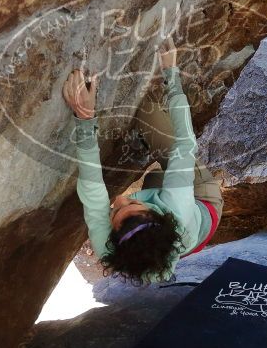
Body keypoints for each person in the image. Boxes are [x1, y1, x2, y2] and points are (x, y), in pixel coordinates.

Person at [62, 37, 223, 284]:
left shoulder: (110, 248)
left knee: (152, 179)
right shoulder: (177, 208)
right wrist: (171, 73)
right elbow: (185, 144)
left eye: (114, 213)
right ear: (162, 217)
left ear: (114, 239)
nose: (117, 199)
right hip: (203, 202)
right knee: (144, 109)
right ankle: (150, 155)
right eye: (132, 205)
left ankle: (150, 173)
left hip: (171, 226)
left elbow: (92, 187)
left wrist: (84, 118)